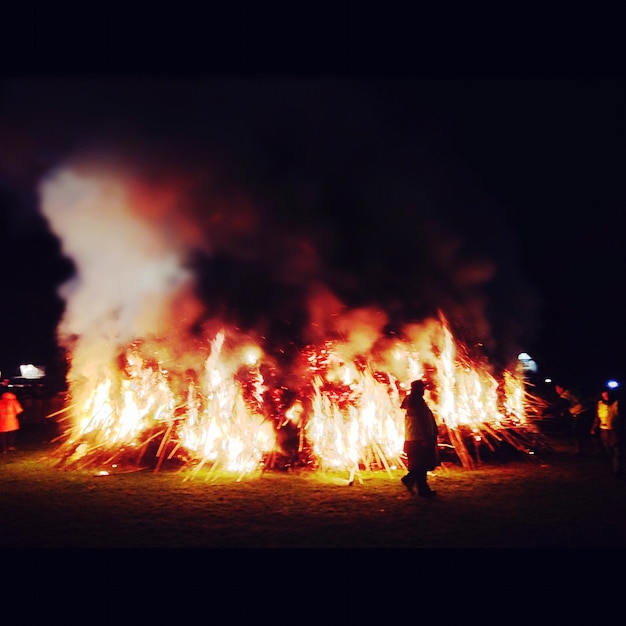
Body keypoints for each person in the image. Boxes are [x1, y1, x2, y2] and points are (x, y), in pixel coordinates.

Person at [400, 379, 440, 497]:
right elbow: (420, 421)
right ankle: (415, 484)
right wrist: (425, 438)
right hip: (418, 438)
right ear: (418, 389)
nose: (424, 390)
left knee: (421, 465)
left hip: (415, 437)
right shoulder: (415, 402)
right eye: (422, 388)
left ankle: (419, 486)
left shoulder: (414, 400)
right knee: (421, 465)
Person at [554, 383, 594, 455]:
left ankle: (581, 450)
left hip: (583, 412)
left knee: (578, 431)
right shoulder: (571, 392)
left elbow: (558, 405)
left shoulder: (566, 394)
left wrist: (545, 411)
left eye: (557, 388)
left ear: (561, 388)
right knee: (578, 431)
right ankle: (581, 449)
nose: (556, 390)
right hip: (584, 411)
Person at [591, 387, 621, 475]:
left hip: (615, 429)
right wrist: (594, 427)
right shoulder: (600, 404)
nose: (606, 396)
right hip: (604, 429)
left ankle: (617, 469)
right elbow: (597, 417)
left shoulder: (617, 403)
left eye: (607, 394)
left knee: (617, 448)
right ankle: (613, 465)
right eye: (604, 394)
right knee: (608, 448)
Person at [0, 388, 24, 453]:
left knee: (3, 435)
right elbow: (19, 410)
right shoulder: (14, 401)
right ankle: (11, 446)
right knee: (12, 434)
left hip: (2, 421)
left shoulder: (1, 401)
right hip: (12, 420)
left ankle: (4, 448)